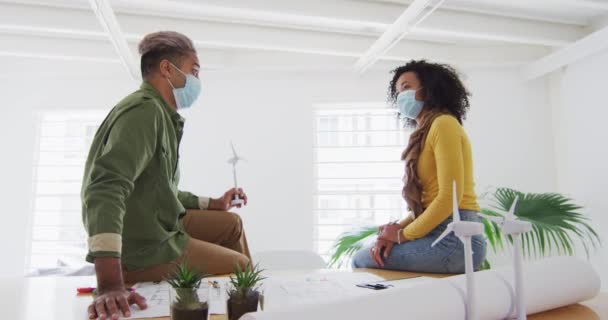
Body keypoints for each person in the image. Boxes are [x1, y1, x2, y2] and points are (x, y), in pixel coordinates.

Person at [82, 31, 251, 320]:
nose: (198, 81)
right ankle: (236, 305)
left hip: (157, 222)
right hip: (144, 245)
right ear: (166, 69)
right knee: (241, 267)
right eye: (194, 71)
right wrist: (109, 283)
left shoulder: (160, 114)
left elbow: (163, 191)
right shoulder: (144, 112)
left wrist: (215, 203)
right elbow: (105, 189)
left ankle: (240, 307)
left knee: (231, 223)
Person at [351, 60, 486, 273]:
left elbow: (449, 199)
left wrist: (400, 236)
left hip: (456, 239)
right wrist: (395, 230)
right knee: (370, 253)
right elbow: (428, 203)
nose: (401, 96)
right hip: (437, 232)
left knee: (361, 259)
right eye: (398, 93)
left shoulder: (444, 124)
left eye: (406, 87)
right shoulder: (426, 131)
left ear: (429, 88)